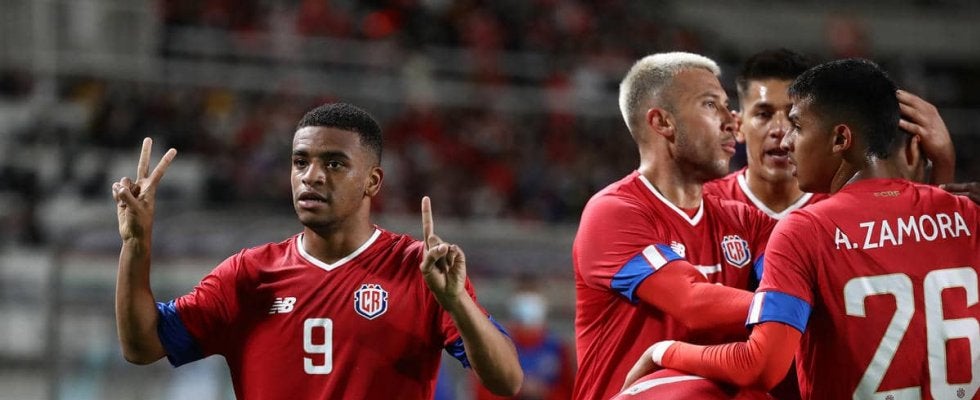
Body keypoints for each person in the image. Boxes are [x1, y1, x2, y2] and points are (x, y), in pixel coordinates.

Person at [111, 103, 523, 399]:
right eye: (300, 162)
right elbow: (141, 346)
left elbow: (506, 381)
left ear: (373, 181)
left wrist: (456, 302)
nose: (312, 176)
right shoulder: (248, 275)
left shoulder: (419, 270)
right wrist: (136, 244)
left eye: (334, 163)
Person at [629, 59, 980, 400]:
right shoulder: (967, 213)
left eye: (797, 126)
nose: (786, 140)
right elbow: (917, 245)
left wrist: (665, 352)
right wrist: (942, 164)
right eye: (765, 114)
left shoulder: (805, 229)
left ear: (840, 139)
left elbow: (761, 365)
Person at [572, 52, 777, 400]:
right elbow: (692, 302)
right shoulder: (613, 212)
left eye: (728, 106)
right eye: (711, 105)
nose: (732, 121)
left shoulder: (746, 221)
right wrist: (790, 306)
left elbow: (800, 281)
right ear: (663, 122)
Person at [706, 48, 955, 221]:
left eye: (794, 119)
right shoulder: (707, 203)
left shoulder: (847, 199)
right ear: (738, 126)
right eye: (764, 114)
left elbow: (920, 247)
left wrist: (943, 159)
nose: (780, 130)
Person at [474, 277, 575, 400]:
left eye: (533, 302)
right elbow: (483, 392)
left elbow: (569, 391)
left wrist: (544, 392)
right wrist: (518, 390)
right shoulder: (497, 346)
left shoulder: (558, 348)